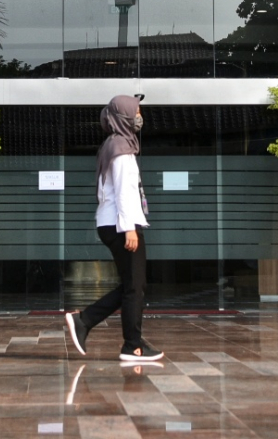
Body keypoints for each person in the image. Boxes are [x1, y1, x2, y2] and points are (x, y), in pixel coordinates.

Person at [64, 94, 163, 362]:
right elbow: (123, 192)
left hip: (114, 223)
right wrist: (129, 227)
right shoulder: (120, 148)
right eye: (137, 111)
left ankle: (86, 321)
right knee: (135, 286)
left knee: (134, 285)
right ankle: (131, 345)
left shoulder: (115, 144)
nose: (140, 116)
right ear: (124, 116)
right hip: (121, 224)